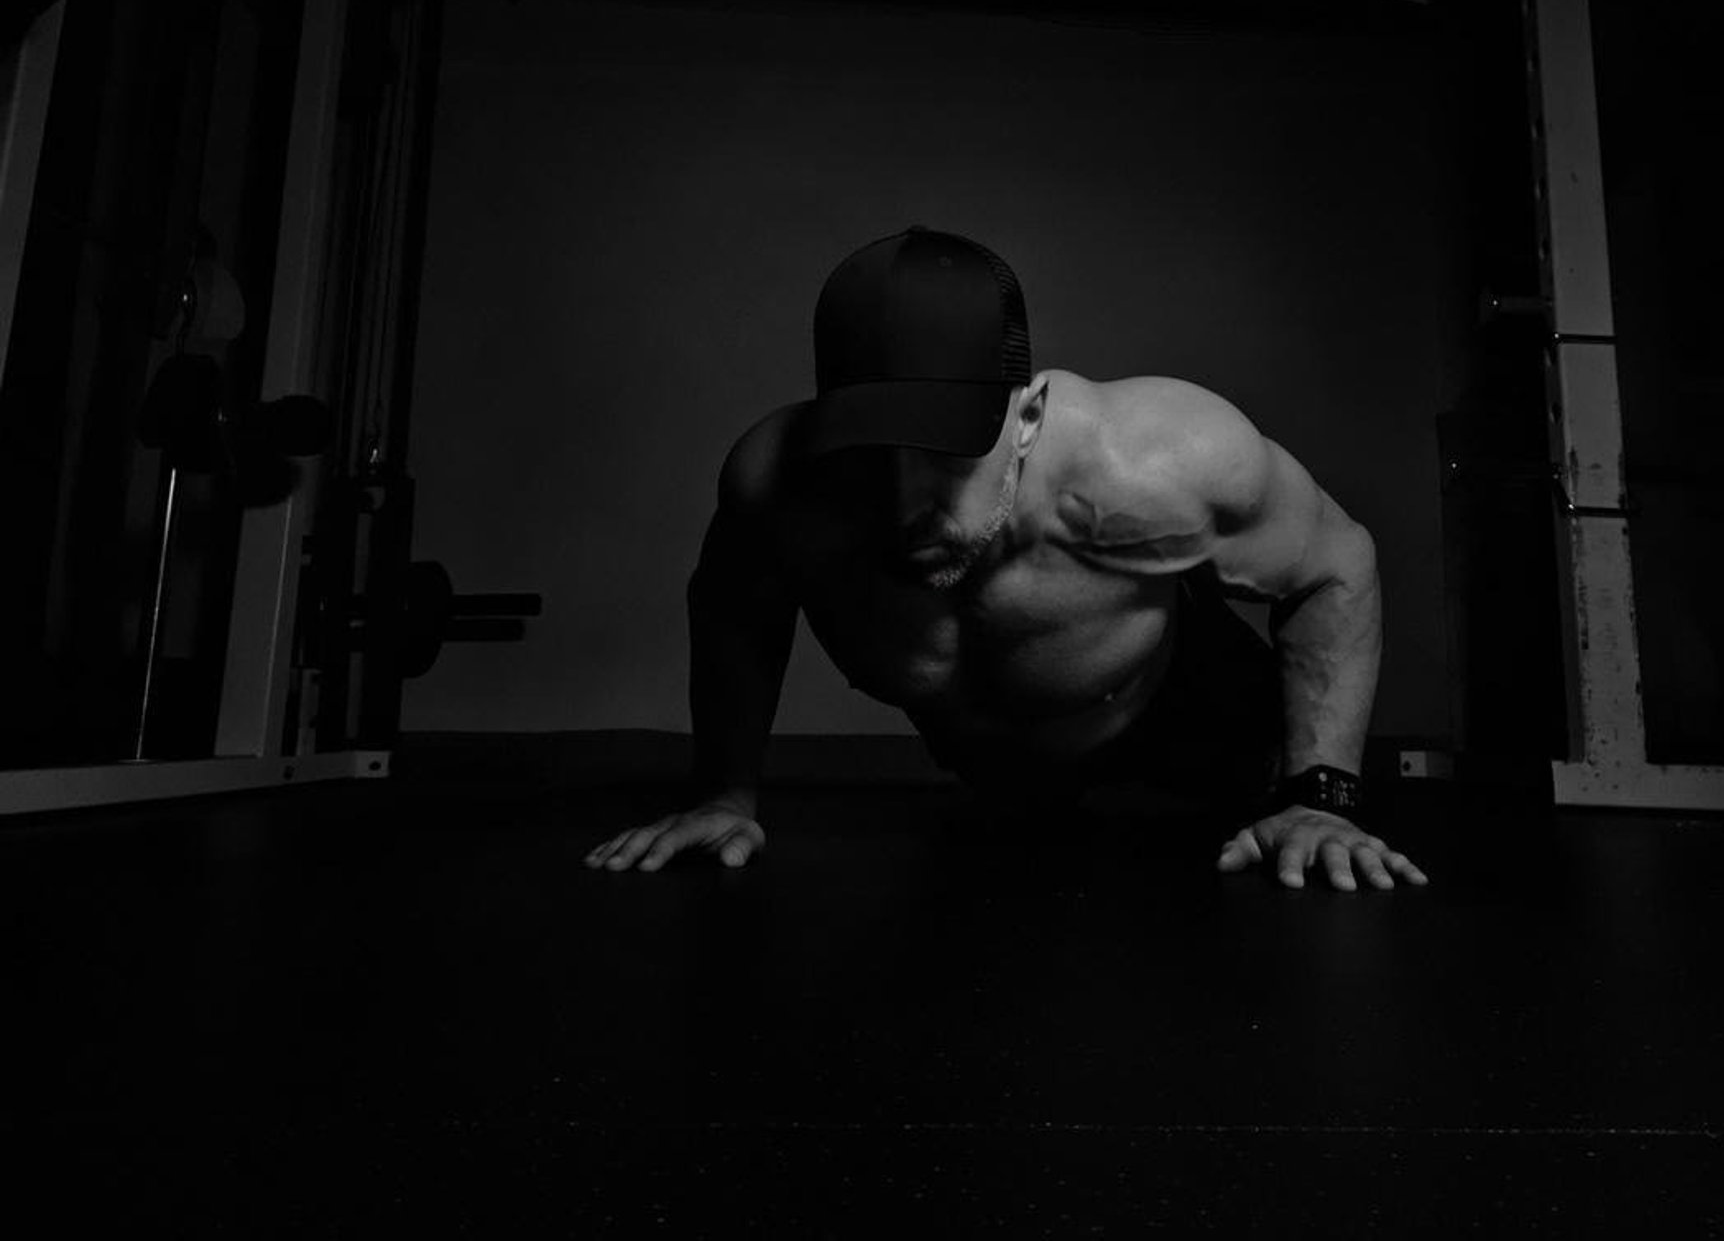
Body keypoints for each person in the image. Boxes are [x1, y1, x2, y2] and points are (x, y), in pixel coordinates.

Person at [585, 228, 1427, 893]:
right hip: (1003, 780)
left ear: (1025, 418)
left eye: (946, 453)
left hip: (1191, 721)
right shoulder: (780, 489)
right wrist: (724, 795)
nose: (902, 499)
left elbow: (1335, 563)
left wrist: (1322, 802)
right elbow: (737, 611)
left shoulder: (1155, 467)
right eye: (870, 450)